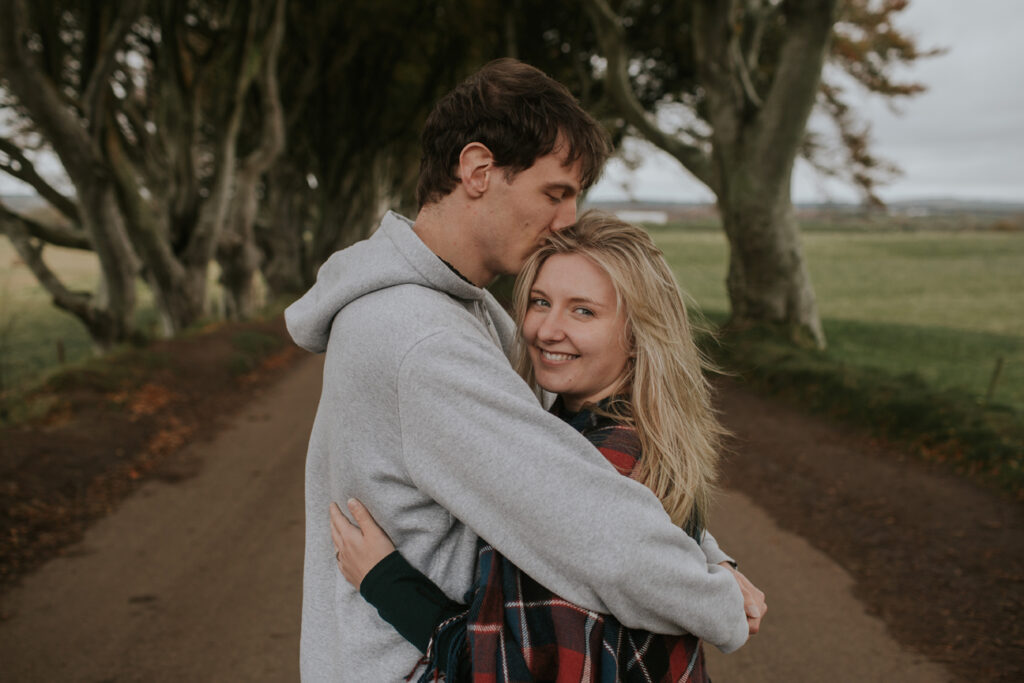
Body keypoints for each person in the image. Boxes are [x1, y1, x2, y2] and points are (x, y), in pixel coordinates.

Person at [285, 58, 765, 682]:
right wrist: (718, 604)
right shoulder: (422, 338)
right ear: (478, 170)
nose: (567, 220)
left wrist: (707, 555)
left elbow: (573, 465)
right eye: (555, 193)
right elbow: (587, 528)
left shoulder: (465, 307)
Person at [330, 211, 747, 681]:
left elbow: (520, 670)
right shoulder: (646, 439)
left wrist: (389, 585)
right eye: (540, 302)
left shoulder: (595, 469)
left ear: (636, 334)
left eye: (583, 311)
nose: (547, 330)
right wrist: (715, 564)